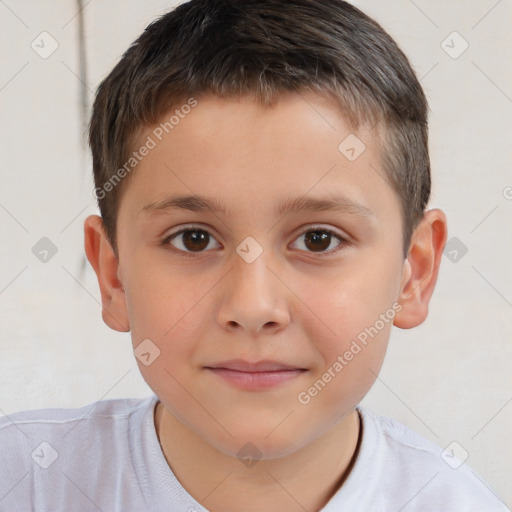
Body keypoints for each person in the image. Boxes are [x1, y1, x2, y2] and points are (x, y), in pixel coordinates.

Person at [0, 0, 507, 510]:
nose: (253, 307)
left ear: (414, 273)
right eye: (193, 239)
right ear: (113, 276)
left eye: (318, 240)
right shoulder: (25, 481)